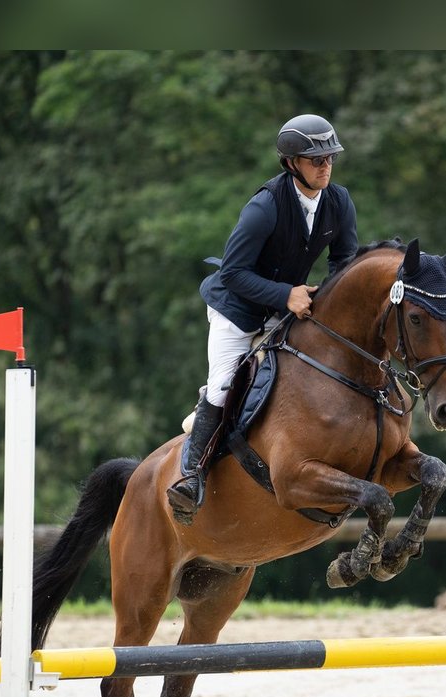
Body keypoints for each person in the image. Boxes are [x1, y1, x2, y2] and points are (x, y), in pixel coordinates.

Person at [167, 114, 359, 524]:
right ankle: (191, 476)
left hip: (283, 309)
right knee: (223, 385)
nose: (325, 166)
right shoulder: (265, 207)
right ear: (292, 164)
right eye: (315, 159)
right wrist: (286, 294)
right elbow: (234, 273)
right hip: (235, 311)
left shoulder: (339, 202)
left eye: (329, 158)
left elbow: (343, 265)